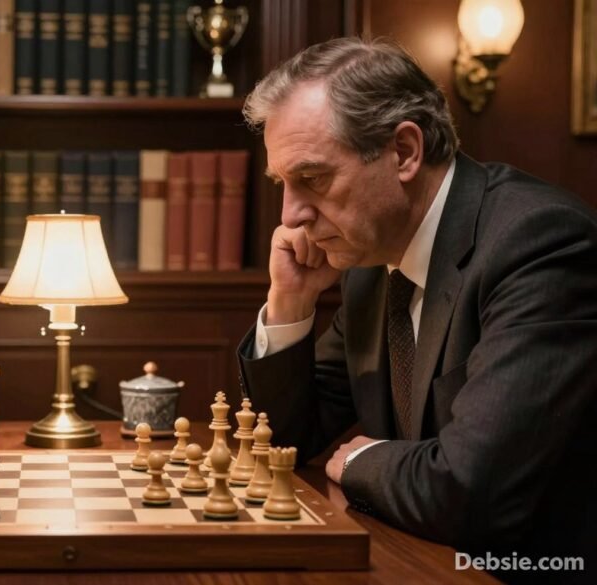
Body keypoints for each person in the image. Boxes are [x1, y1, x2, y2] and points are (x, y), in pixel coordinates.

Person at [237, 37, 596, 583]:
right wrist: (290, 301)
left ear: (404, 152)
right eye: (282, 184)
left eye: (311, 178)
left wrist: (360, 461)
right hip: (424, 561)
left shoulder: (537, 243)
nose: (292, 215)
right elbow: (284, 441)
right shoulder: (372, 262)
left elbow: (472, 492)